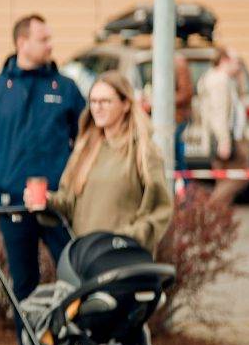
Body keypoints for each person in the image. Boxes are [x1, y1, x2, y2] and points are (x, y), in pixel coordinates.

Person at [0, 14, 85, 345]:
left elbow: (85, 141)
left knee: (77, 281)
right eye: (43, 38)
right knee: (24, 290)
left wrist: (67, 181)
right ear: (22, 42)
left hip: (56, 206)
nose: (51, 44)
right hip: (13, 208)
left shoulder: (65, 88)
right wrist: (2, 177)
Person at [25, 71, 172, 252]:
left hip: (126, 258)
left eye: (105, 101)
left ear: (125, 104)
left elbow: (159, 211)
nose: (97, 108)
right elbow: (68, 202)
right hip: (86, 256)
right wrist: (46, 201)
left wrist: (128, 238)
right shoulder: (84, 150)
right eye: (93, 101)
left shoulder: (143, 151)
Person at [198, 47, 249, 207]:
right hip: (226, 137)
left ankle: (217, 214)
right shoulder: (219, 81)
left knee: (224, 179)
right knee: (242, 174)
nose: (239, 65)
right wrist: (224, 140)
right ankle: (211, 207)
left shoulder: (224, 79)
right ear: (224, 60)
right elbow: (218, 113)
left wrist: (240, 77)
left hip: (229, 135)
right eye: (236, 61)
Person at [174, 54, 194, 172]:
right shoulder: (175, 63)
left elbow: (186, 93)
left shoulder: (179, 65)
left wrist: (162, 101)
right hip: (176, 117)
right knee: (176, 152)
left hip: (178, 117)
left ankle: (184, 180)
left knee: (176, 154)